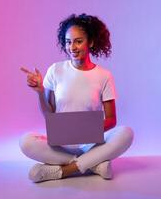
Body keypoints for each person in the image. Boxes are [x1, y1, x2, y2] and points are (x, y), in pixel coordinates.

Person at [19, 13, 134, 183]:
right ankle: (94, 164)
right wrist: (40, 92)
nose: (72, 47)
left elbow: (111, 119)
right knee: (26, 141)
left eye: (78, 41)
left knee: (126, 133)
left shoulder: (104, 75)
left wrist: (86, 133)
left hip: (91, 144)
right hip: (62, 145)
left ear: (91, 42)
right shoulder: (55, 70)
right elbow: (49, 115)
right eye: (68, 42)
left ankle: (65, 171)